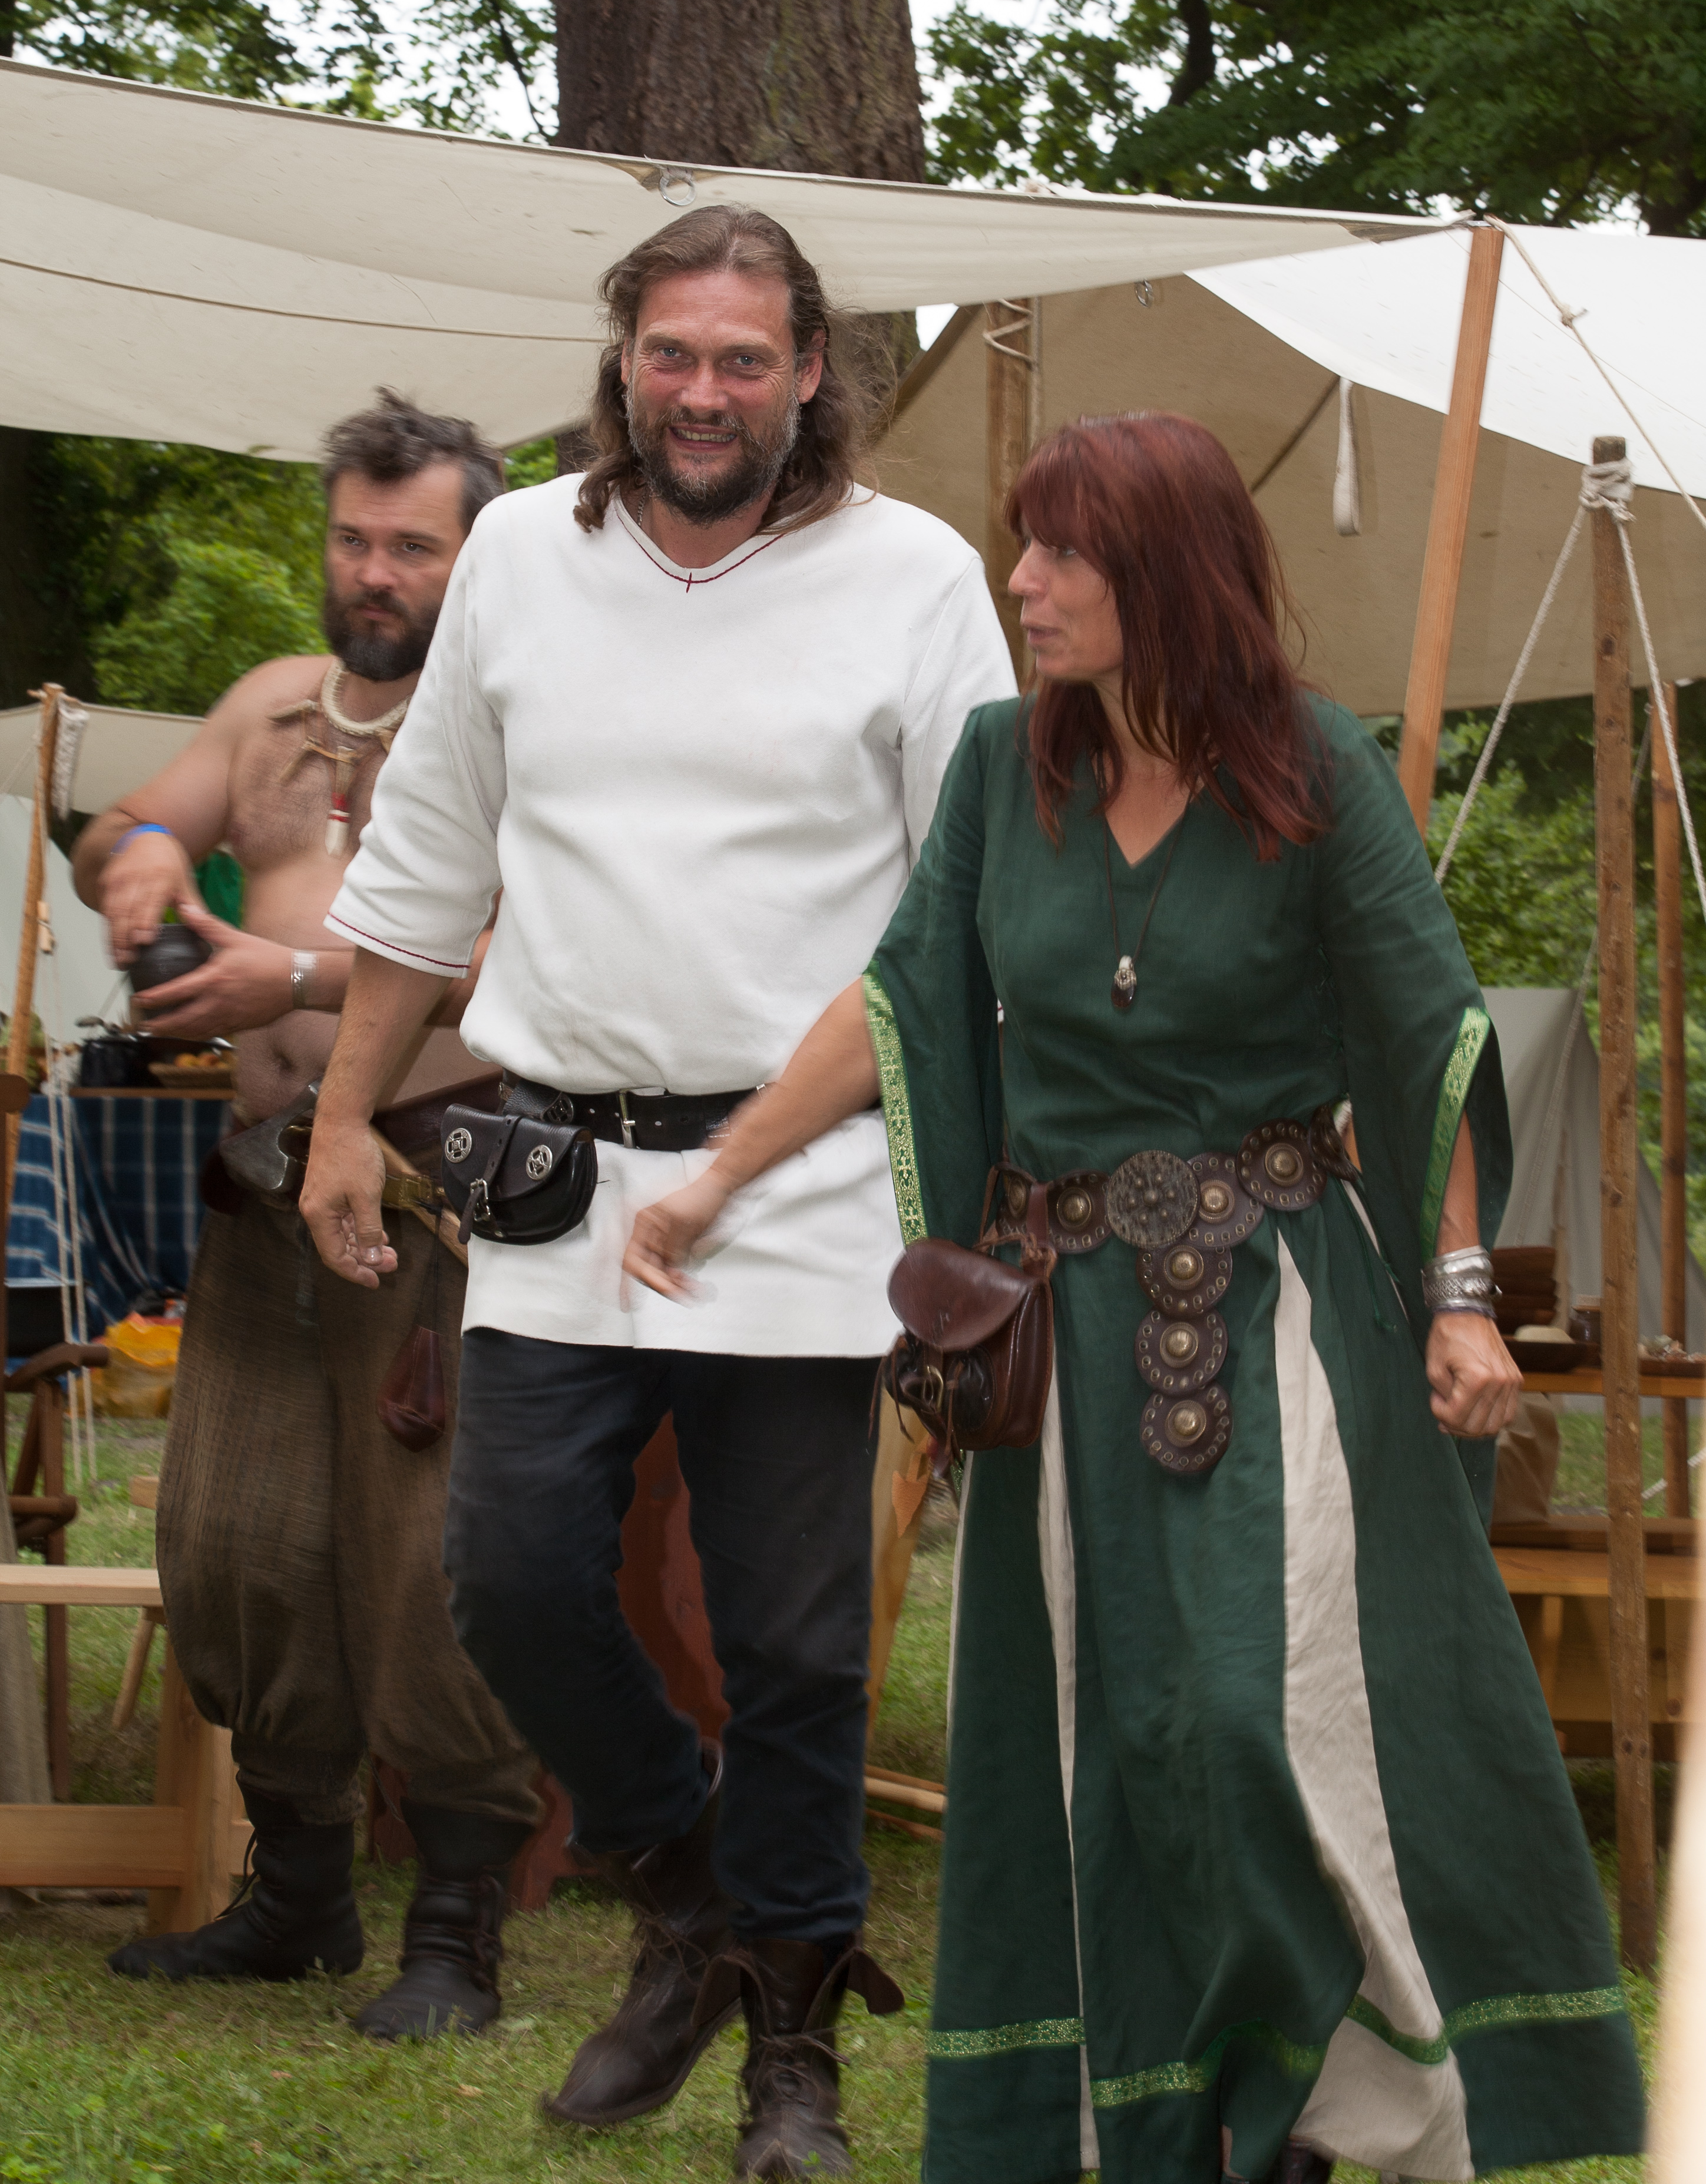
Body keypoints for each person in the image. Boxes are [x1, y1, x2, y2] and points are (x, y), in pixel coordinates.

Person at [621, 413, 1647, 2184]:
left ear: (1162, 574)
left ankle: (1330, 2093)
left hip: (1287, 1312)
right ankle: (1197, 2114)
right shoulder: (1000, 768)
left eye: (1062, 552)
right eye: (1022, 546)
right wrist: (721, 1174)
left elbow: (1423, 1033)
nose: (1020, 582)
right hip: (1072, 1336)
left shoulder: (1314, 767)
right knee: (1126, 1737)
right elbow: (898, 1003)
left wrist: (1463, 1297)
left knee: (1270, 1722)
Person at [297, 205, 1016, 2176]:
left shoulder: (915, 577)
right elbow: (426, 864)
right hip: (557, 1174)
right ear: (624, 360)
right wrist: (348, 1116)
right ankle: (693, 1894)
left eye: (745, 359)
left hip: (808, 1188)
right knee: (514, 1576)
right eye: (673, 354)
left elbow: (956, 917)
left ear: (811, 372)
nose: (705, 393)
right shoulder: (525, 555)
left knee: (795, 1644)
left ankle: (794, 2061)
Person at [72, 393, 540, 2038]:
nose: (375, 570)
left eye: (413, 544)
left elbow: (535, 965)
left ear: (478, 555)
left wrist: (292, 975)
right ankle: (300, 1899)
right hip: (263, 1194)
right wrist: (137, 858)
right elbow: (132, 821)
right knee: (242, 1541)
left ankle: (458, 1934)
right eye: (353, 537)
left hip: (437, 1198)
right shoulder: (272, 707)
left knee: (429, 1559)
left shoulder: (525, 724)